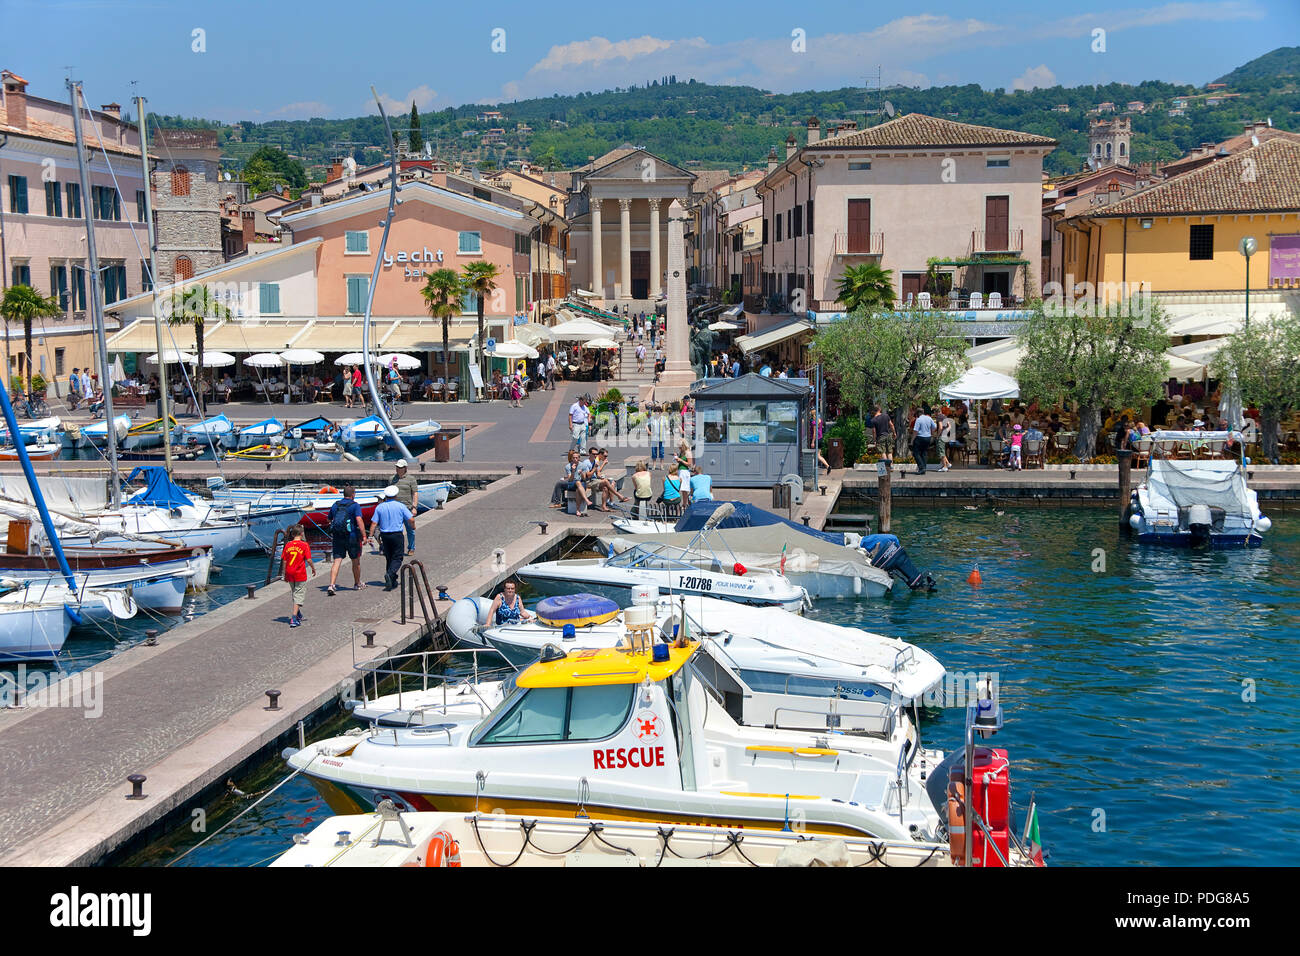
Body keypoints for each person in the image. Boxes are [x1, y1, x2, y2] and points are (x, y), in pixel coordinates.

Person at [368, 485, 413, 591]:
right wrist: (413, 527)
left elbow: (374, 523)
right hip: (397, 534)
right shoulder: (400, 506)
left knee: (389, 557)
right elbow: (411, 519)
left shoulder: (380, 507)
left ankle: (392, 581)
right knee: (397, 557)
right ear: (396, 495)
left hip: (384, 535)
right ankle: (390, 574)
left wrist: (370, 536)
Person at [326, 485, 367, 595]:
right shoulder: (355, 506)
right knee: (355, 560)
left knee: (337, 560)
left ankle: (331, 585)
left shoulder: (336, 505)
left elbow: (329, 518)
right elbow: (359, 520)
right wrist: (364, 536)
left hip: (338, 536)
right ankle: (357, 583)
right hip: (352, 537)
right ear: (353, 494)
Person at [280, 524, 315, 628]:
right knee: (299, 594)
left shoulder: (288, 545)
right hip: (300, 573)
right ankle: (294, 618)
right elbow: (308, 559)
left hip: (289, 572)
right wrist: (313, 568)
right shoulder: (304, 545)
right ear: (302, 533)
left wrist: (284, 573)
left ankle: (298, 614)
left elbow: (284, 561)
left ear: (292, 534)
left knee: (295, 592)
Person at [390, 459, 420, 554]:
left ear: (405, 468)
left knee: (410, 530)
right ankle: (396, 548)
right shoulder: (392, 479)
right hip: (395, 509)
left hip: (407, 508)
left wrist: (414, 507)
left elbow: (415, 493)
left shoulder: (411, 479)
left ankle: (411, 547)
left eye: (400, 467)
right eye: (397, 467)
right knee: (396, 531)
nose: (398, 469)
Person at [550, 450, 590, 516]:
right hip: (572, 483)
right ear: (571, 458)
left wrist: (582, 473)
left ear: (579, 458)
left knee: (578, 489)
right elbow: (570, 480)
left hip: (581, 483)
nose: (575, 459)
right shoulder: (568, 466)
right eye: (573, 458)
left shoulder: (583, 465)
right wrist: (573, 471)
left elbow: (584, 479)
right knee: (560, 483)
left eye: (576, 458)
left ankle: (578, 510)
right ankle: (586, 500)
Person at [911, 405, 936, 475]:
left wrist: (912, 440)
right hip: (928, 437)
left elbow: (915, 431)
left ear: (917, 413)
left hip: (920, 437)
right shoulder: (929, 418)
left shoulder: (918, 419)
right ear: (923, 412)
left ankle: (921, 467)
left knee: (916, 453)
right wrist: (931, 433)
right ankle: (924, 468)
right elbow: (934, 427)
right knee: (924, 453)